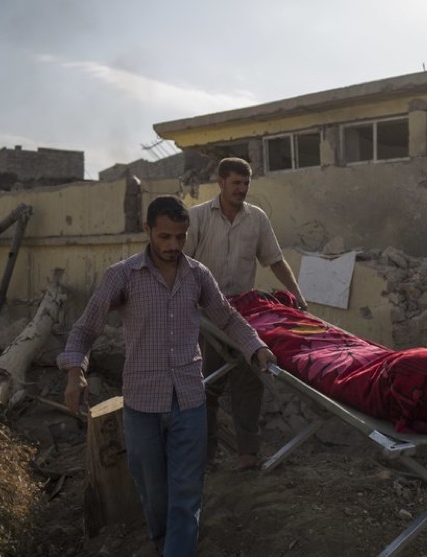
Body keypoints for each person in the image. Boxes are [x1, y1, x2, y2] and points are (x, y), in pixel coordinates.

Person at [59, 195, 276, 557]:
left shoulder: (197, 275)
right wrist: (74, 373)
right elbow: (85, 329)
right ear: (147, 230)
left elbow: (227, 317)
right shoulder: (122, 275)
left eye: (180, 237)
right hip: (142, 404)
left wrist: (255, 346)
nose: (174, 245)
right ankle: (163, 543)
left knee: (186, 494)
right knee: (154, 493)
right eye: (165, 237)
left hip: (189, 401)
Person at [184, 156, 307, 470]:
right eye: (236, 183)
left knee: (249, 383)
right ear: (221, 183)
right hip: (206, 316)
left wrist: (297, 294)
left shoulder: (257, 218)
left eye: (246, 183)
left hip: (243, 316)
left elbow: (275, 259)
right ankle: (205, 458)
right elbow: (181, 264)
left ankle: (247, 456)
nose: (241, 189)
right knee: (206, 386)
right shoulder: (197, 217)